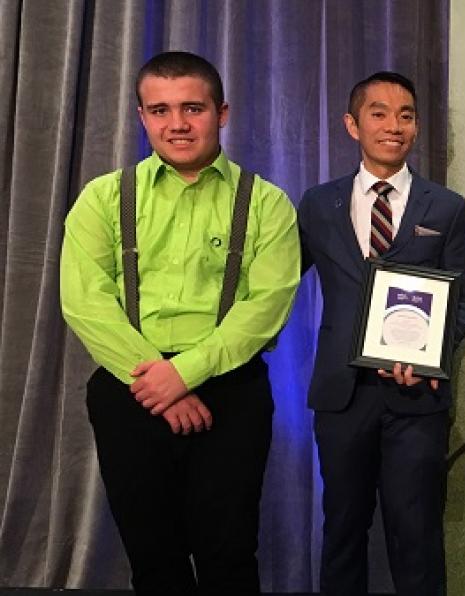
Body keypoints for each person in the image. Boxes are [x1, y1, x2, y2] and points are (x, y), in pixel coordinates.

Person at [59, 51, 300, 594]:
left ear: (222, 113)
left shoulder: (266, 203)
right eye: (160, 109)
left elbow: (266, 306)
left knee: (230, 554)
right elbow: (85, 302)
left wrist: (186, 372)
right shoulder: (102, 199)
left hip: (230, 391)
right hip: (129, 391)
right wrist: (159, 381)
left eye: (193, 108)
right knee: (154, 558)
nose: (177, 124)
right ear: (141, 116)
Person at [298, 71, 465, 595]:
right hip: (340, 396)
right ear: (352, 125)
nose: (393, 125)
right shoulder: (317, 204)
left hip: (416, 400)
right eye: (378, 113)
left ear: (417, 127)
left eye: (406, 115)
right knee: (342, 532)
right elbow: (277, 284)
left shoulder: (445, 207)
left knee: (417, 536)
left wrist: (426, 357)